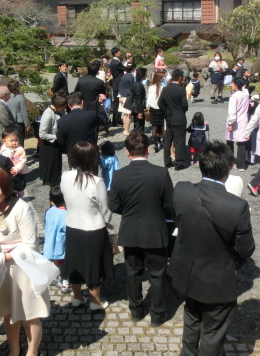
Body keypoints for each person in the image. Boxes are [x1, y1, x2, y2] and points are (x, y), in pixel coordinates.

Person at [168, 141, 255, 356]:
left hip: (187, 273)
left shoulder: (182, 191)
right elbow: (246, 248)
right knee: (212, 336)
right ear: (228, 168)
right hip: (218, 279)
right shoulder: (236, 206)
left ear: (199, 164)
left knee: (192, 322)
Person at [0, 166, 50, 356]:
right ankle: (14, 350)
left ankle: (32, 353)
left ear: (6, 187)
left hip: (24, 267)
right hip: (1, 270)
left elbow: (30, 245)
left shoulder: (21, 208)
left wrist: (2, 256)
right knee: (8, 312)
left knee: (29, 313)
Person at [109, 132, 174, 326]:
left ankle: (136, 310)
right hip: (155, 230)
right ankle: (158, 314)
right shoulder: (161, 173)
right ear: (147, 150)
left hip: (131, 230)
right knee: (158, 274)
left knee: (133, 273)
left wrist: (128, 210)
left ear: (128, 153)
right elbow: (170, 203)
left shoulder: (119, 175)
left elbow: (113, 206)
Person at [60, 142, 114, 311]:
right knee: (93, 266)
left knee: (74, 262)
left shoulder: (65, 176)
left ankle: (77, 297)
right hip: (93, 228)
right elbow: (105, 208)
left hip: (72, 225)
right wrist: (108, 221)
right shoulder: (97, 181)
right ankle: (95, 301)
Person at [158, 69, 189, 170]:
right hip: (179, 118)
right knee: (179, 141)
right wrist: (181, 110)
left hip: (169, 118)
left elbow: (160, 103)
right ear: (180, 78)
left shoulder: (166, 89)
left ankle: (167, 161)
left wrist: (167, 112)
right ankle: (179, 163)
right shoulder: (181, 89)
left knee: (168, 140)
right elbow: (185, 105)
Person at [57, 92, 101, 157]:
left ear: (69, 105)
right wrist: (101, 104)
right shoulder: (91, 115)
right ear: (82, 102)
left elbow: (61, 141)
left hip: (73, 154)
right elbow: (104, 119)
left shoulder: (61, 121)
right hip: (90, 152)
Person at [44, 186, 70, 294]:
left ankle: (54, 277)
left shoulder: (50, 211)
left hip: (50, 240)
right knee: (65, 263)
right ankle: (65, 283)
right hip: (62, 242)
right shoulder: (66, 214)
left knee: (55, 261)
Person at [38, 93, 67, 187]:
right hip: (49, 146)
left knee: (57, 169)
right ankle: (54, 191)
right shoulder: (48, 114)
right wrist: (56, 137)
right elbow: (42, 134)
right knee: (52, 172)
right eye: (63, 107)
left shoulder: (59, 111)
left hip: (56, 145)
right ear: (58, 105)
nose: (64, 109)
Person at [226, 78, 249, 171]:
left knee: (230, 141)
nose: (231, 85)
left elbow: (232, 112)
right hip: (243, 120)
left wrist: (230, 123)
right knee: (241, 143)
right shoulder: (246, 95)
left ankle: (230, 162)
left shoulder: (234, 97)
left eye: (232, 83)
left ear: (236, 85)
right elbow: (245, 89)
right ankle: (241, 165)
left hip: (235, 121)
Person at [0, 127, 29, 195]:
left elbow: (23, 160)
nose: (14, 143)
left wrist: (16, 168)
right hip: (8, 170)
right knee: (9, 184)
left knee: (18, 184)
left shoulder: (20, 149)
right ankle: (12, 194)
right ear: (4, 141)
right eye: (11, 141)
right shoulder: (2, 149)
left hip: (19, 171)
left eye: (16, 140)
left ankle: (20, 193)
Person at [0, 86, 17, 150]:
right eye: (9, 94)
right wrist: (16, 127)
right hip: (4, 135)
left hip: (3, 134)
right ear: (4, 95)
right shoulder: (1, 107)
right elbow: (6, 123)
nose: (10, 96)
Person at [7, 80, 30, 147]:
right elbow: (24, 112)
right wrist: (27, 124)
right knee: (20, 142)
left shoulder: (6, 97)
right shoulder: (20, 97)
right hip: (19, 123)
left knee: (11, 141)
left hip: (9, 123)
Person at [147, 70, 166, 153]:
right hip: (161, 109)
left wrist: (148, 108)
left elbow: (148, 100)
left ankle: (155, 144)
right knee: (163, 127)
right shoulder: (163, 88)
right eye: (162, 77)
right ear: (159, 78)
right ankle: (165, 143)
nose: (163, 78)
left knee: (154, 127)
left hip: (153, 109)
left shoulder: (151, 87)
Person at [125, 67, 147, 133]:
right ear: (143, 75)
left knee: (137, 124)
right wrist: (140, 112)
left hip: (136, 107)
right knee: (139, 126)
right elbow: (138, 99)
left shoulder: (136, 83)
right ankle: (138, 140)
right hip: (138, 108)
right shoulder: (139, 85)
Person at [118, 62, 136, 136]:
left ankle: (125, 129)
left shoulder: (124, 75)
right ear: (133, 68)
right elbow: (132, 87)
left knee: (125, 114)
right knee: (128, 115)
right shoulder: (131, 76)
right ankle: (127, 130)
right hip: (128, 97)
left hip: (122, 95)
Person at [109, 47, 125, 126]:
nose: (120, 53)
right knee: (118, 103)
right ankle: (117, 121)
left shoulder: (113, 62)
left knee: (116, 103)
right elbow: (125, 68)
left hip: (115, 83)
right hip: (118, 84)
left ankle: (115, 120)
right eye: (119, 52)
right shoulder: (116, 62)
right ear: (115, 53)